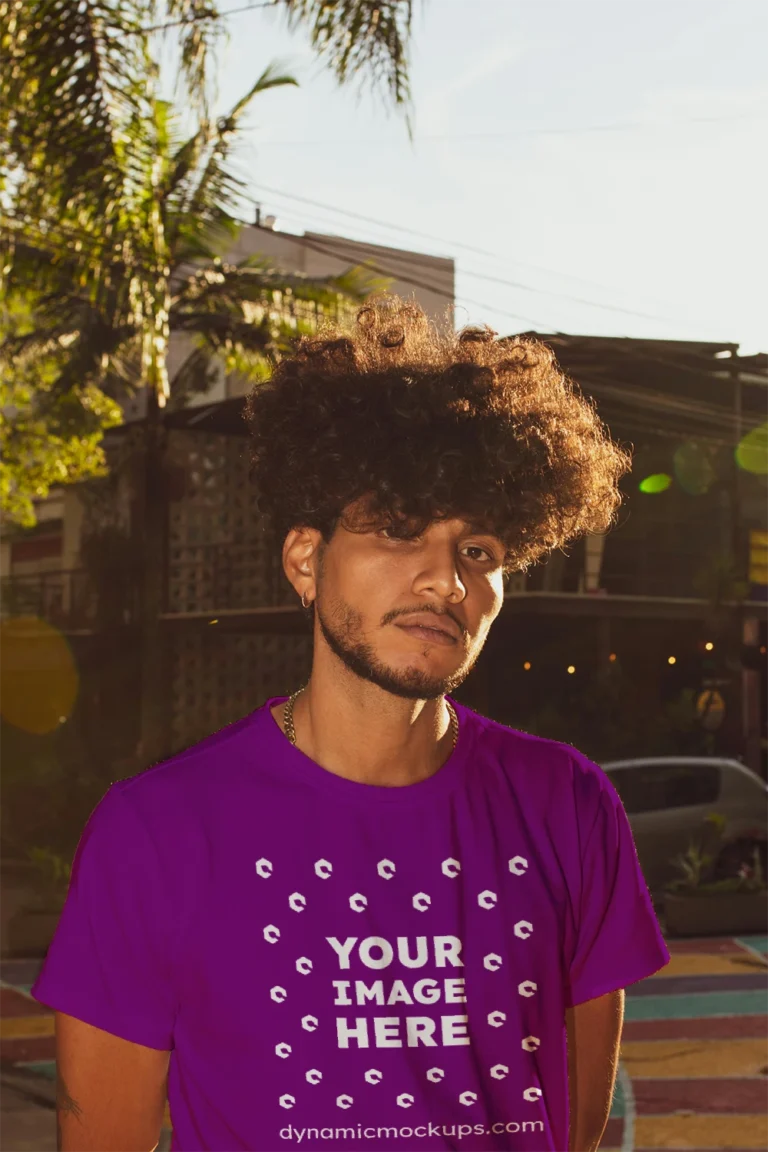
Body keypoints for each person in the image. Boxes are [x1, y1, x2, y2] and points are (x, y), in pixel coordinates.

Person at [33, 295, 670, 1151]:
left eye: (478, 551)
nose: (447, 579)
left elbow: (573, 1127)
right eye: (400, 531)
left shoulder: (568, 804)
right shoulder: (156, 831)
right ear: (306, 559)